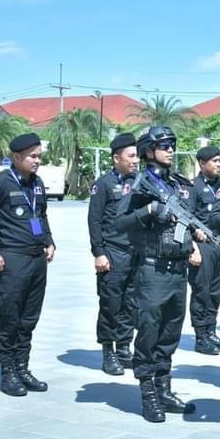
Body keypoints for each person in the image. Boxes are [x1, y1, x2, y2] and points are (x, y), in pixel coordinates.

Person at [116, 126, 201, 422]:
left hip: (178, 271)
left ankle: (164, 388)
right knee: (149, 332)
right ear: (149, 150)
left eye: (172, 145)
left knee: (170, 333)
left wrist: (194, 238)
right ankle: (148, 394)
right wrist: (150, 210)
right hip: (152, 270)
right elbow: (120, 222)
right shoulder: (138, 184)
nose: (171, 150)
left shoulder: (178, 184)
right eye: (164, 145)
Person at [0, 133, 55, 396]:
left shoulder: (37, 184)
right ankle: (8, 371)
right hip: (11, 258)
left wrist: (49, 241)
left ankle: (22, 367)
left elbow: (40, 215)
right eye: (33, 156)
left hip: (36, 259)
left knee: (29, 318)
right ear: (17, 157)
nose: (37, 161)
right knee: (10, 316)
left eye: (39, 156)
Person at [88, 132, 140, 375]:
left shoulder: (139, 181)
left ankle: (124, 348)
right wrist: (99, 252)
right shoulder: (104, 184)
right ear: (116, 158)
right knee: (111, 304)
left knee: (130, 303)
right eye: (130, 156)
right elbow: (94, 221)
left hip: (135, 252)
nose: (135, 160)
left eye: (137, 155)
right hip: (112, 252)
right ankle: (108, 351)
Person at [187, 146, 220, 355]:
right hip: (203, 245)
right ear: (202, 164)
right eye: (214, 161)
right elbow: (186, 218)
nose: (218, 165)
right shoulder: (194, 188)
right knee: (201, 291)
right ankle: (201, 336)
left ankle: (211, 330)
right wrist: (193, 243)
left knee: (216, 291)